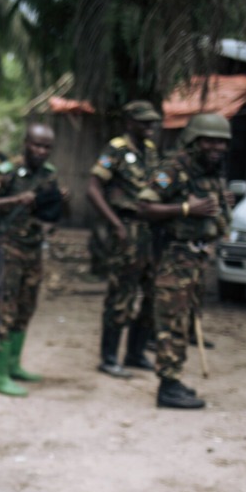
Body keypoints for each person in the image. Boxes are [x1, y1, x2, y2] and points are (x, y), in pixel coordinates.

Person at [137, 114, 233, 409]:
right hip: (174, 257)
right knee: (171, 321)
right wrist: (186, 208)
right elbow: (145, 205)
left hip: (196, 257)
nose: (217, 147)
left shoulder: (210, 170)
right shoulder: (174, 168)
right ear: (194, 141)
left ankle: (174, 378)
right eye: (210, 141)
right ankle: (167, 386)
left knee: (184, 322)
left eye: (221, 142)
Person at [0, 123, 66, 396]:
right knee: (5, 309)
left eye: (47, 147)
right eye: (37, 145)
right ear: (26, 143)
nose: (41, 151)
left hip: (33, 249)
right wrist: (16, 199)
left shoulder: (50, 175)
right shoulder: (7, 171)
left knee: (27, 306)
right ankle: (0, 375)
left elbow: (50, 212)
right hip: (6, 250)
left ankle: (15, 365)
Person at [86, 100, 161, 378]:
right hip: (127, 228)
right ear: (130, 122)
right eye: (144, 121)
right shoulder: (116, 150)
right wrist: (115, 223)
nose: (150, 126)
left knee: (151, 292)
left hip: (151, 231)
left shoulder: (151, 151)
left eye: (152, 121)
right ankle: (108, 357)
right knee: (122, 293)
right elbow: (93, 189)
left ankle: (135, 353)